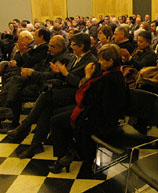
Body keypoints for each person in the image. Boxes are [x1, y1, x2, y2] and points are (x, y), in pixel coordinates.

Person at [7, 33, 97, 158]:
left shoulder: (91, 61)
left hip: (76, 96)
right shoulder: (75, 58)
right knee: (46, 109)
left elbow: (82, 84)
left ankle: (25, 126)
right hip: (65, 91)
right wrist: (59, 72)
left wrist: (65, 74)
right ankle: (35, 144)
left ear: (81, 46)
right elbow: (65, 77)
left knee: (46, 96)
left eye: (74, 44)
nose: (71, 46)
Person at [49, 44, 127, 173]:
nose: (99, 62)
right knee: (58, 113)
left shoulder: (110, 78)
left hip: (100, 119)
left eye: (102, 59)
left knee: (56, 121)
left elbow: (88, 97)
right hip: (96, 111)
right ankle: (70, 149)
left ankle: (63, 156)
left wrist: (88, 76)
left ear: (110, 61)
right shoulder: (113, 72)